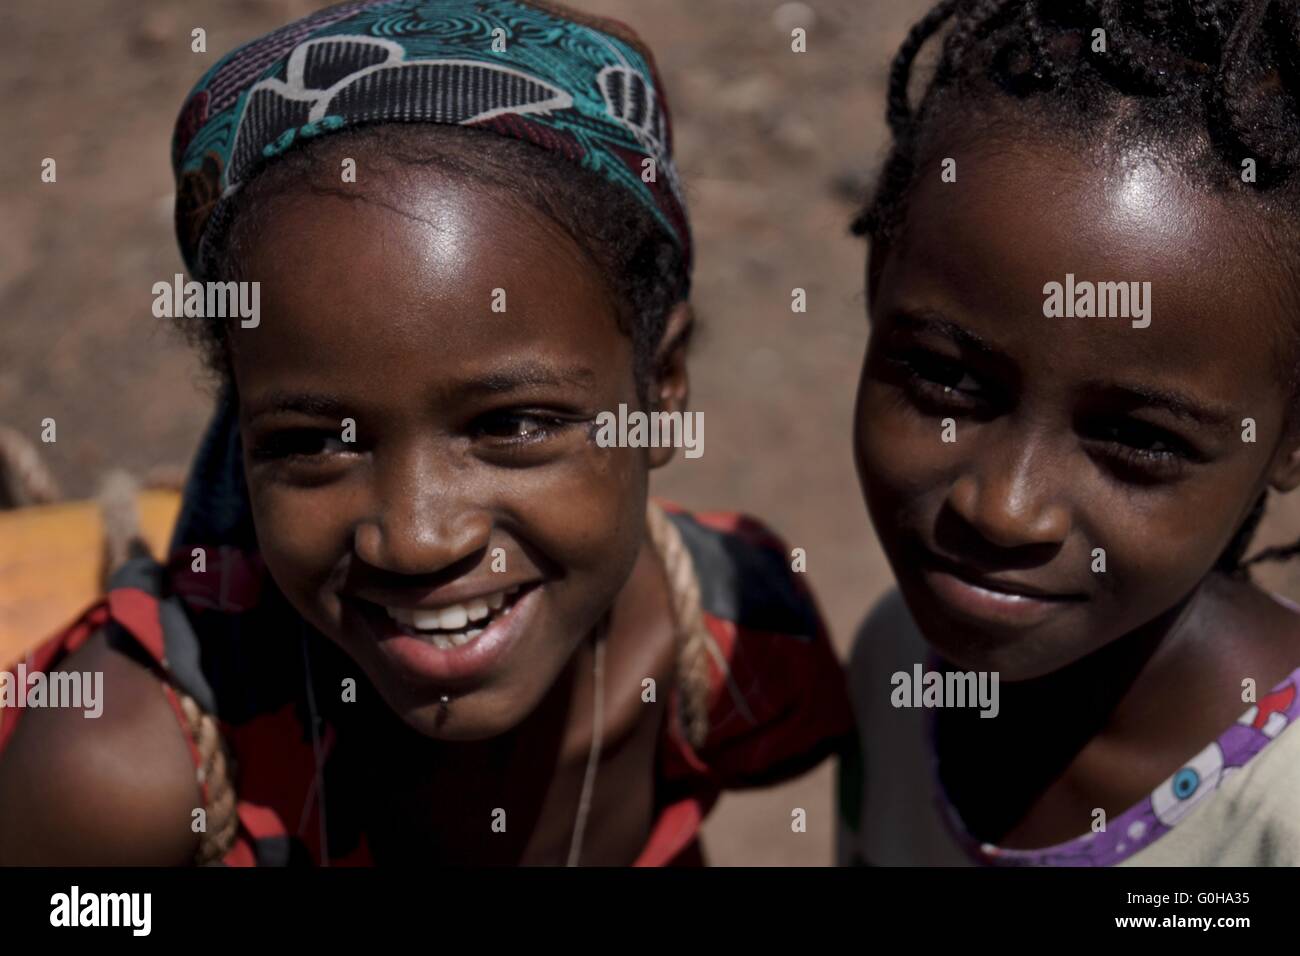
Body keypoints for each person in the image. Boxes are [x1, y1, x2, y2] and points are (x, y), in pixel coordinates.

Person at [0, 0, 852, 866]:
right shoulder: (115, 782)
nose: (412, 538)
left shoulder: (734, 643)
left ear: (662, 387)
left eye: (512, 424)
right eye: (317, 442)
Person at [838, 0, 1300, 866]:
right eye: (948, 379)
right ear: (878, 286)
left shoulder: (1281, 821)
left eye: (1139, 437)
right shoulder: (897, 661)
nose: (1005, 510)